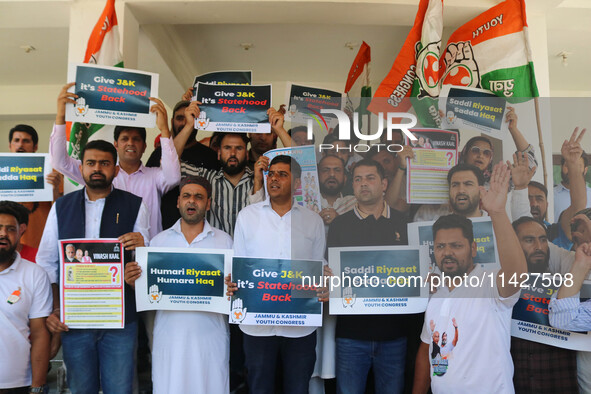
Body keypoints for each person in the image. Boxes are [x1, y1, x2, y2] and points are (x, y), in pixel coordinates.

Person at [36, 139, 150, 393]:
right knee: (80, 388)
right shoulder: (61, 207)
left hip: (120, 320)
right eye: (91, 163)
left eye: (104, 163)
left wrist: (143, 247)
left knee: (120, 389)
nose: (97, 168)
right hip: (74, 320)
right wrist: (54, 308)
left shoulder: (135, 205)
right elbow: (47, 262)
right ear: (82, 168)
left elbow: (145, 261)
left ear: (116, 169)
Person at [413, 162, 527, 393]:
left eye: (456, 245)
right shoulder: (436, 294)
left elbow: (516, 273)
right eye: (441, 246)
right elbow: (427, 350)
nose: (447, 252)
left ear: (473, 249)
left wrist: (497, 212)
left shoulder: (490, 284)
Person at [226, 155, 325, 394]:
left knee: (298, 387)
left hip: (300, 325)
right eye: (271, 173)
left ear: (297, 183)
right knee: (259, 387)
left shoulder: (313, 221)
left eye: (283, 174)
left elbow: (318, 264)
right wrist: (231, 282)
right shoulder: (247, 216)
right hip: (256, 325)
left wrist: (324, 282)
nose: (274, 179)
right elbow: (238, 263)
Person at [124, 176, 232, 393]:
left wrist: (233, 288)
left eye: (199, 197)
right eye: (186, 196)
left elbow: (235, 292)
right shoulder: (158, 242)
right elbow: (148, 291)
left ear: (208, 203)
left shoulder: (225, 242)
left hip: (211, 338)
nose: (192, 201)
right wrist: (133, 281)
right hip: (169, 338)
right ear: (178, 202)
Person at [327, 159, 421, 394]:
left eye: (370, 178)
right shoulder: (339, 225)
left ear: (384, 184)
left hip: (394, 336)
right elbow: (333, 275)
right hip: (351, 335)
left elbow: (414, 275)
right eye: (358, 179)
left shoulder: (405, 223)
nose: (363, 184)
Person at [50, 82, 180, 238]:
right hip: (106, 257)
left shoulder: (155, 176)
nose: (130, 143)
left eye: (136, 139)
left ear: (144, 146)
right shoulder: (100, 174)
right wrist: (60, 117)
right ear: (116, 145)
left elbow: (173, 177)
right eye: (125, 138)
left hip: (145, 254)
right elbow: (59, 162)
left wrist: (165, 130)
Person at [171, 102, 264, 236]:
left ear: (247, 153)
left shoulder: (259, 179)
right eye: (227, 148)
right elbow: (171, 159)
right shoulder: (205, 178)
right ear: (219, 153)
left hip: (248, 253)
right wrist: (189, 125)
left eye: (238, 148)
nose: (233, 153)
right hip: (216, 252)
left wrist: (278, 128)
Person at [511, 216, 578, 393]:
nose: (539, 247)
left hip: (559, 382)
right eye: (529, 240)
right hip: (515, 382)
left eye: (543, 239)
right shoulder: (497, 285)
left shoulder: (569, 278)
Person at [0, 204, 52, 394]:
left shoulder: (34, 273)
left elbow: (40, 334)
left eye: (10, 229)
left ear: (20, 233)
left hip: (19, 383)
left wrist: (37, 386)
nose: (3, 233)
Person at [529, 128, 587, 250]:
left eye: (539, 199)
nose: (533, 203)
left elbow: (578, 206)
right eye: (528, 198)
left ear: (547, 204)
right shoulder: (510, 233)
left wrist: (573, 163)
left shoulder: (555, 232)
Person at [9, 124, 63, 249]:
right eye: (16, 140)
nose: (20, 145)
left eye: (26, 141)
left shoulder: (50, 171)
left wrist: (55, 189)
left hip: (40, 244)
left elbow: (61, 208)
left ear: (35, 146)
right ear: (10, 145)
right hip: (6, 247)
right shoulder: (2, 171)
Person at [317, 155, 356, 231]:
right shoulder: (305, 205)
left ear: (345, 179)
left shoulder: (356, 204)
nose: (332, 174)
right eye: (326, 170)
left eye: (337, 170)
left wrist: (339, 221)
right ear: (317, 176)